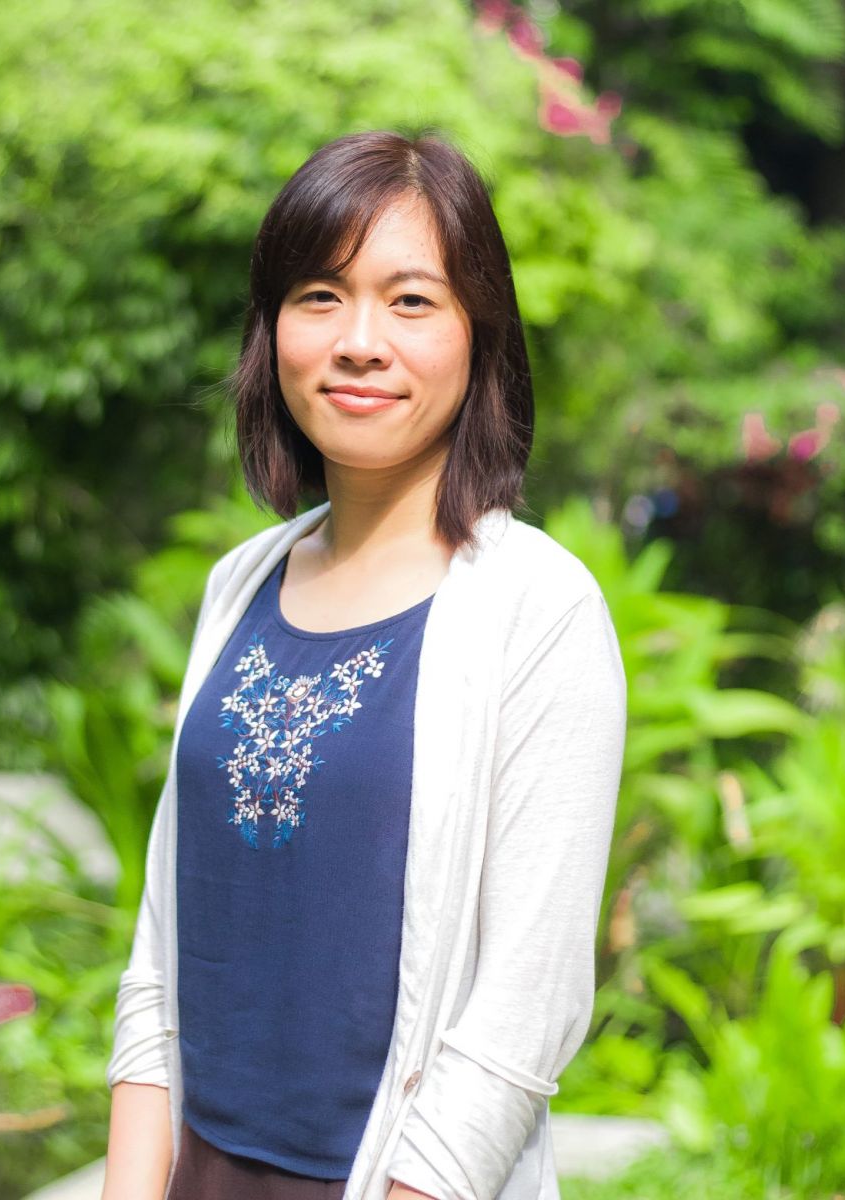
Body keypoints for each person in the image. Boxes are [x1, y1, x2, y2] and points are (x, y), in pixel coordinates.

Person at [101, 129, 627, 1200]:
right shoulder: (240, 585)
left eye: (411, 301)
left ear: (480, 334)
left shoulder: (539, 609)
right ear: (272, 332)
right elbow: (163, 947)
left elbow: (525, 1009)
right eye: (320, 296)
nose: (358, 342)